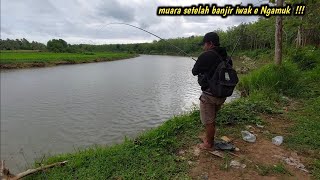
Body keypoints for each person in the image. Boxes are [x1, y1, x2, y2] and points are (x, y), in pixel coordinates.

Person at [192, 32, 229, 150]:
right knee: (211, 118)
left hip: (209, 95)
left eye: (205, 44)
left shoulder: (206, 55)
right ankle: (208, 137)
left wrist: (200, 60)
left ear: (210, 43)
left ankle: (208, 144)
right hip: (222, 94)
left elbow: (194, 71)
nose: (204, 47)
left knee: (209, 121)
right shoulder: (226, 56)